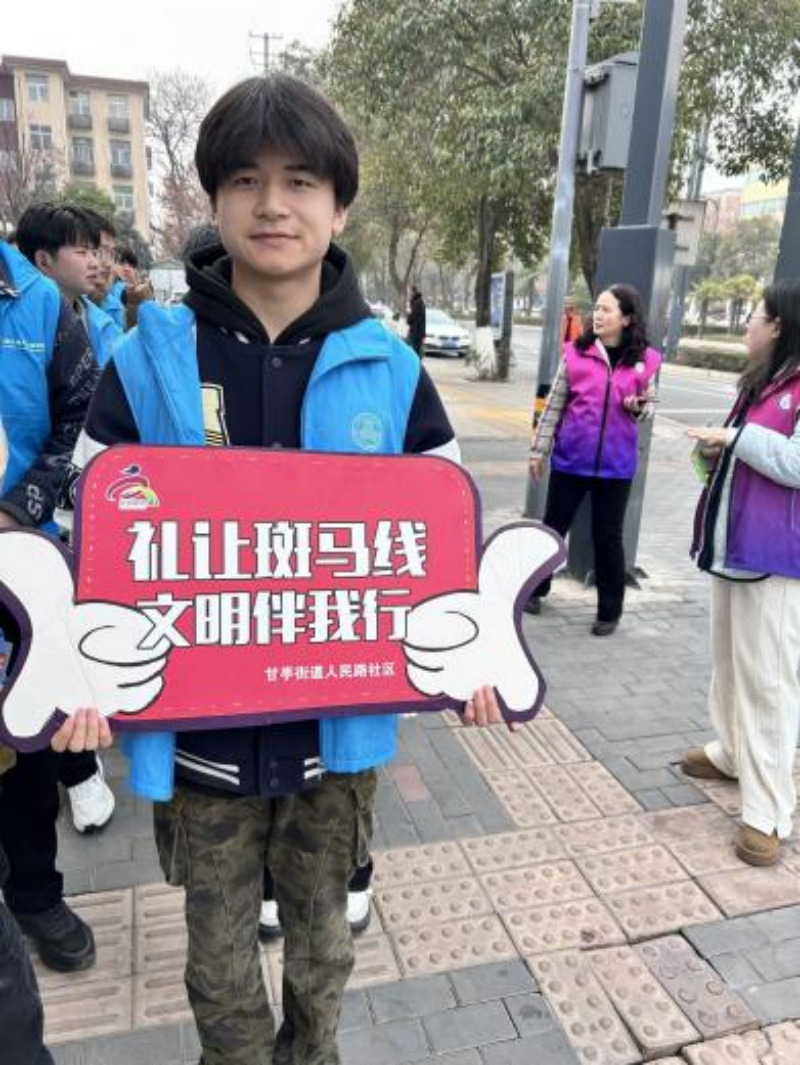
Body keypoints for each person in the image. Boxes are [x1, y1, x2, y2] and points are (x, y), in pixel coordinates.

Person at [58, 74, 505, 1065]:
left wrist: (475, 662)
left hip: (330, 752)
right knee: (219, 977)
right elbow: (91, 539)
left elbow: (447, 547)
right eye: (246, 180)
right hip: (202, 753)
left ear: (338, 206)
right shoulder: (150, 358)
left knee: (323, 961)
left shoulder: (390, 368)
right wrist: (77, 677)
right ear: (214, 199)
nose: (273, 204)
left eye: (301, 181)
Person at [0, 237, 98, 971]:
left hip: (18, 559)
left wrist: (16, 510)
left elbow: (80, 422)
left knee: (24, 734)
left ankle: (35, 893)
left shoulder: (39, 306)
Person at [683, 279, 800, 867]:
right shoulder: (760, 384)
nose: (747, 323)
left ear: (778, 325)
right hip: (733, 549)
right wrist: (714, 452)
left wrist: (734, 437)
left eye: (754, 314)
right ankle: (732, 753)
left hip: (775, 560)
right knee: (729, 664)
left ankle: (769, 811)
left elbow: (796, 465)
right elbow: (739, 460)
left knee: (769, 682)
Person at [15, 204, 118, 834]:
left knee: (53, 655)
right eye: (84, 250)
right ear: (43, 260)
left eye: (100, 250)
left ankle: (79, 772)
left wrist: (19, 508)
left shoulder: (83, 321)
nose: (98, 262)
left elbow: (82, 421)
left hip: (46, 525)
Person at [524, 284, 661, 635]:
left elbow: (648, 408)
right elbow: (554, 405)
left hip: (616, 466)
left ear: (626, 319)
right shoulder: (575, 354)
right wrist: (539, 450)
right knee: (554, 528)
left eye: (606, 309)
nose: (597, 315)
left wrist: (638, 408)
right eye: (596, 308)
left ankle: (609, 611)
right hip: (571, 460)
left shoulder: (646, 361)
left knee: (608, 537)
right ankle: (535, 590)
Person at [406, 284, 426, 357]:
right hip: (418, 332)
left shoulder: (416, 303)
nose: (408, 294)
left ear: (413, 292)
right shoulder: (419, 301)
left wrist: (408, 315)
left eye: (409, 292)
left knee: (414, 352)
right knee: (415, 351)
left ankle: (416, 363)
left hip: (416, 332)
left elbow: (412, 318)